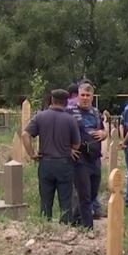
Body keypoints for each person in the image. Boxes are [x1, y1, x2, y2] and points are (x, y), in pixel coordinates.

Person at [21, 89, 81, 224]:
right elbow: (76, 144)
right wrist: (69, 148)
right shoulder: (71, 120)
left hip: (45, 163)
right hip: (64, 163)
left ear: (52, 101)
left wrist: (32, 154)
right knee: (66, 200)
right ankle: (65, 226)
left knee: (45, 200)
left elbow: (25, 135)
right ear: (66, 102)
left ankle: (45, 225)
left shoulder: (40, 117)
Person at [68, 82, 107, 230]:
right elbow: (63, 133)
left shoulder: (96, 112)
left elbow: (103, 130)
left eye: (87, 95)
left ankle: (75, 218)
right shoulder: (70, 112)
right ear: (78, 95)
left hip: (95, 158)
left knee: (92, 193)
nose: (85, 98)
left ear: (92, 97)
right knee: (84, 194)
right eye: (82, 95)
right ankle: (88, 227)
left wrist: (104, 134)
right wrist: (68, 150)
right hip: (80, 159)